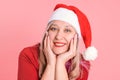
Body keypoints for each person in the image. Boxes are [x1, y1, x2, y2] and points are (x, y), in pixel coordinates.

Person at [18, 4, 98, 80]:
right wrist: (51, 63)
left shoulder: (82, 64)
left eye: (67, 30)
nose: (58, 36)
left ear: (76, 37)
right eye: (54, 29)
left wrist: (60, 62)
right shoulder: (29, 55)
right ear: (47, 32)